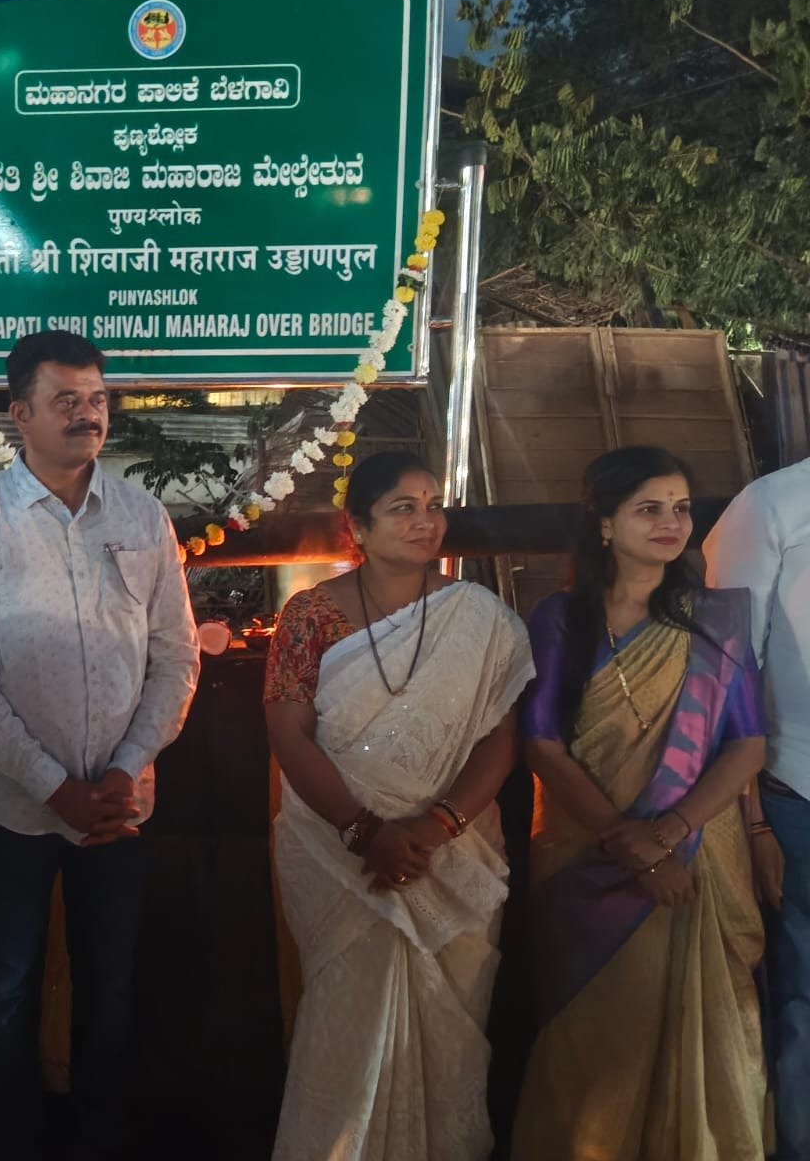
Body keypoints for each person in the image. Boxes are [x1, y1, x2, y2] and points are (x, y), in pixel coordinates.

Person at [0, 330, 199, 1160]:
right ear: (20, 415)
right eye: (67, 401)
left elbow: (176, 654)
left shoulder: (142, 516)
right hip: (13, 808)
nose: (89, 416)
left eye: (97, 399)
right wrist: (56, 788)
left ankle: (96, 1143)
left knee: (111, 992)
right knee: (5, 991)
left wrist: (121, 771)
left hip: (120, 807)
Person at [263, 451, 532, 1161]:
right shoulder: (310, 615)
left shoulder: (479, 618)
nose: (425, 521)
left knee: (452, 1017)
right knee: (343, 1017)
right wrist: (363, 831)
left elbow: (500, 740)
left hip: (451, 849)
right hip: (334, 850)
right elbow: (288, 732)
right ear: (359, 526)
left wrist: (433, 827)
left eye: (433, 504)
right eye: (403, 508)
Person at [512, 446, 769, 1159]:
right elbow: (542, 747)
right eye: (649, 508)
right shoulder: (560, 620)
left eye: (681, 507)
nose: (671, 523)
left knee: (706, 1031)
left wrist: (668, 834)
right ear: (603, 523)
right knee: (590, 1049)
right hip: (584, 861)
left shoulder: (717, 621)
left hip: (696, 861)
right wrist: (627, 840)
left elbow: (748, 746)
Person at [704, 454, 809, 1159]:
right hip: (796, 792)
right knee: (803, 1002)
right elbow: (727, 676)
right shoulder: (771, 506)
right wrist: (756, 819)